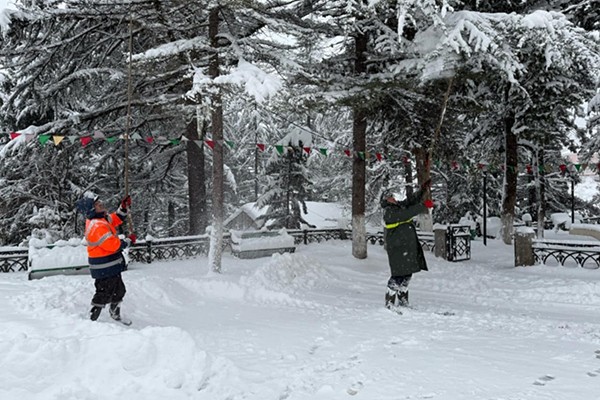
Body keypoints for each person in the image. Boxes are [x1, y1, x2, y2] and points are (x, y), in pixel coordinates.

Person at [76, 194, 136, 321]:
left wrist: (123, 207)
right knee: (103, 293)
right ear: (91, 209)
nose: (101, 204)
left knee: (119, 290)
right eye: (97, 204)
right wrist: (128, 241)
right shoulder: (97, 226)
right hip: (104, 266)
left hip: (110, 265)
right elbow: (113, 245)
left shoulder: (101, 219)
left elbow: (115, 219)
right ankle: (93, 317)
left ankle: (114, 312)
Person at [381, 180, 434, 310]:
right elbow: (407, 213)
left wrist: (422, 190)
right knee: (398, 275)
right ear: (386, 200)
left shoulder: (398, 206)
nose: (393, 199)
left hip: (406, 247)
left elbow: (410, 202)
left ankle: (403, 301)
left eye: (393, 196)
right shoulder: (389, 212)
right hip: (398, 248)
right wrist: (423, 206)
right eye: (390, 197)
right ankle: (389, 303)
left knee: (407, 274)